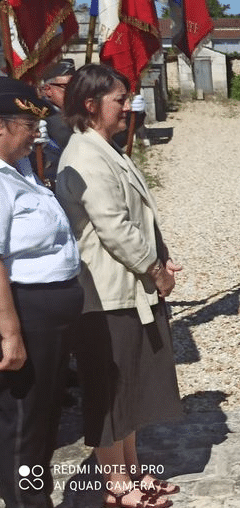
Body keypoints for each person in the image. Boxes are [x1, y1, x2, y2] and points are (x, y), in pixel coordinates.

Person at [55, 64, 182, 508]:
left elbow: (138, 218)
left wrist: (161, 255)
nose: (129, 106)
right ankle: (116, 484)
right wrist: (155, 270)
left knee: (129, 387)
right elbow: (114, 228)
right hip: (104, 295)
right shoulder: (85, 155)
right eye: (120, 99)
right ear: (91, 105)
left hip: (127, 291)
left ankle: (131, 470)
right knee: (108, 392)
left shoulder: (105, 148)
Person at [0, 76, 84, 508]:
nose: (36, 134)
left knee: (45, 418)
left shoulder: (22, 171)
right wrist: (10, 333)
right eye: (28, 125)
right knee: (25, 424)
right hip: (26, 313)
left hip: (49, 316)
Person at [31, 58, 75, 188]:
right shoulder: (46, 116)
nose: (74, 91)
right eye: (67, 87)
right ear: (48, 90)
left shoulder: (73, 112)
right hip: (54, 184)